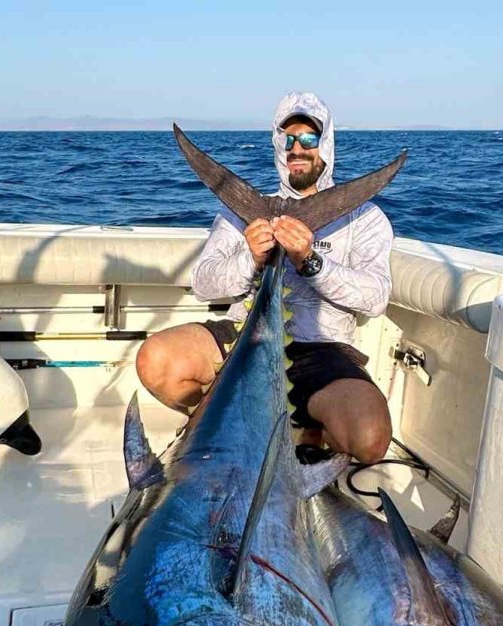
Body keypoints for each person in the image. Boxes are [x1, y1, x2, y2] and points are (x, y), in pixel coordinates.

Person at [136, 92, 394, 464]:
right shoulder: (240, 213)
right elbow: (204, 284)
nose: (297, 148)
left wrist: (310, 261)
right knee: (156, 362)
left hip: (322, 348)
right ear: (277, 145)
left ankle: (308, 432)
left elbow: (375, 297)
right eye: (288, 139)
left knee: (368, 439)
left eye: (308, 139)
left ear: (326, 144)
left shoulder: (364, 218)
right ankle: (221, 422)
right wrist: (251, 258)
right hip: (245, 335)